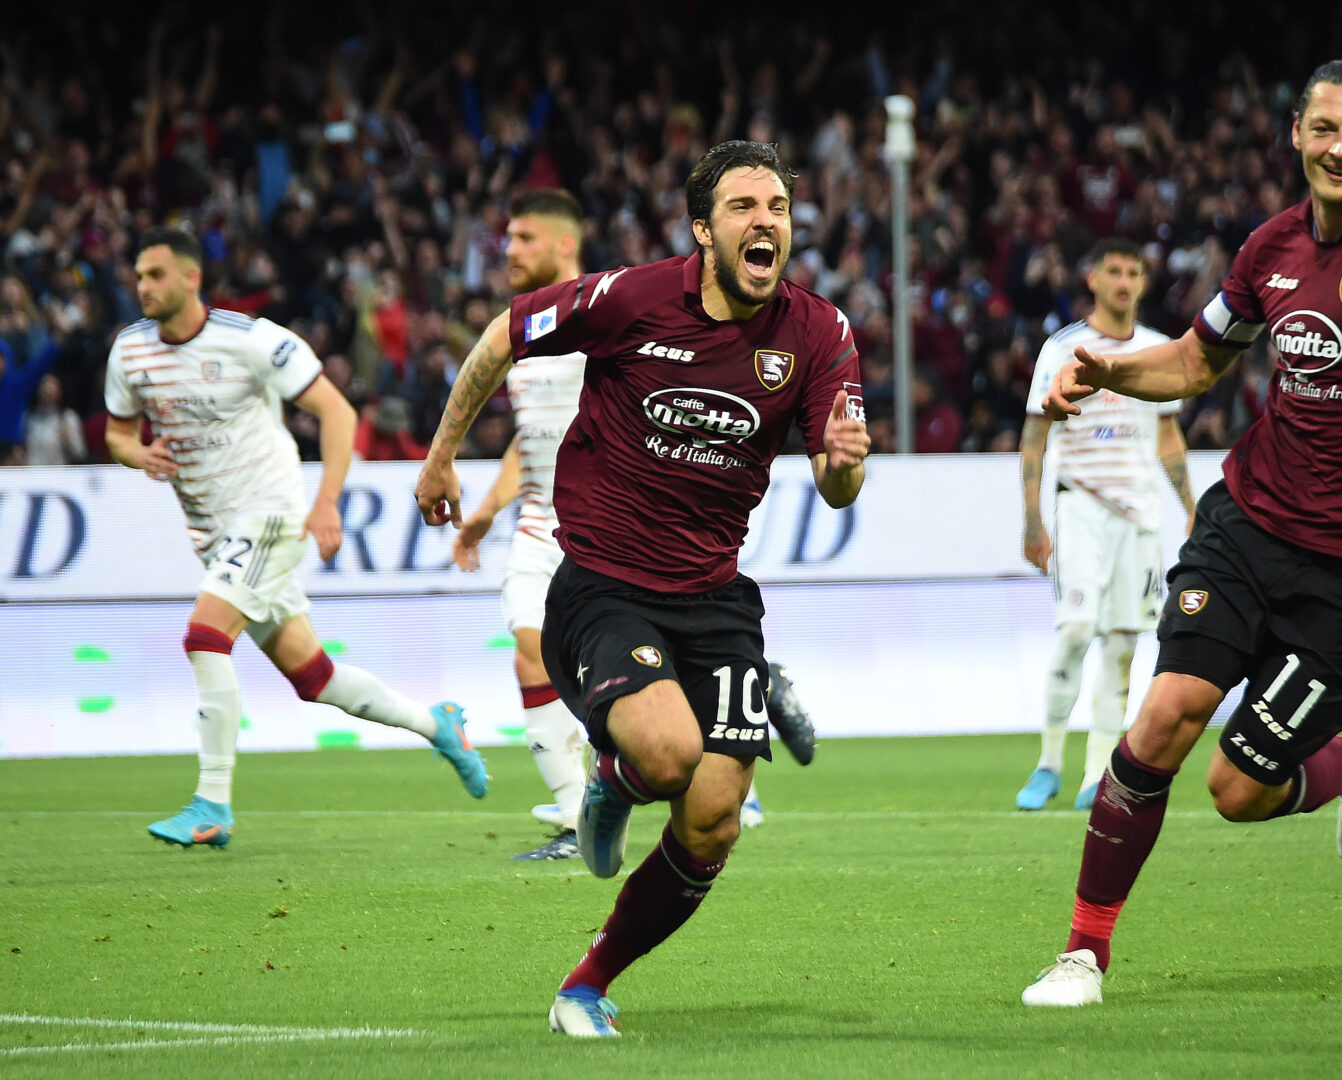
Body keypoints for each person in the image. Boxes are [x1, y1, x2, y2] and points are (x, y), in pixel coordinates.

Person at [1021, 60, 1342, 1007]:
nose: (1340, 148)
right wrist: (1105, 372)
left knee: (1239, 791)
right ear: (1297, 133)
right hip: (1247, 527)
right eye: (1324, 128)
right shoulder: (1271, 246)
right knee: (1162, 718)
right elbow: (1195, 361)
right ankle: (1082, 956)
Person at [414, 141, 868, 1037]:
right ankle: (615, 780)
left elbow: (836, 483)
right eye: (743, 207)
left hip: (717, 596)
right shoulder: (629, 298)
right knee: (666, 757)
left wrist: (847, 464)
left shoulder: (821, 332)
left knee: (714, 819)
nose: (765, 222)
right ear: (703, 229)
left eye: (777, 207)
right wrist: (440, 456)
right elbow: (506, 334)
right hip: (605, 584)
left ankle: (584, 985)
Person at [448, 189, 819, 861]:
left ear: (565, 243)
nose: (509, 249)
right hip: (543, 522)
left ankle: (747, 699)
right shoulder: (536, 332)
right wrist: (486, 510)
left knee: (646, 680)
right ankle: (577, 812)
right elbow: (534, 438)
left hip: (627, 530)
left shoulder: (606, 314)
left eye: (525, 238)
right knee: (531, 649)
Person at [104, 229, 489, 849]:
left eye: (155, 274)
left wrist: (326, 503)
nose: (142, 286)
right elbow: (117, 434)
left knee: (205, 637)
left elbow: (338, 411)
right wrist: (138, 454)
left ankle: (212, 804)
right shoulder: (130, 352)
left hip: (270, 513)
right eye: (139, 275)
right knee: (314, 678)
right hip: (213, 532)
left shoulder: (251, 340)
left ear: (191, 278)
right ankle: (437, 724)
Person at [1017, 238, 1195, 813]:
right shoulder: (1062, 348)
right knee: (1075, 630)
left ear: (1143, 282)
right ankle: (1048, 763)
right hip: (1081, 507)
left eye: (1133, 272)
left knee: (1122, 644)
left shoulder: (1159, 349)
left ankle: (1096, 774)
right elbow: (1035, 437)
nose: (1123, 282)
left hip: (1140, 517)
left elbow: (1167, 434)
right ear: (1092, 279)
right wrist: (1032, 519)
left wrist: (1190, 505)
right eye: (1113, 271)